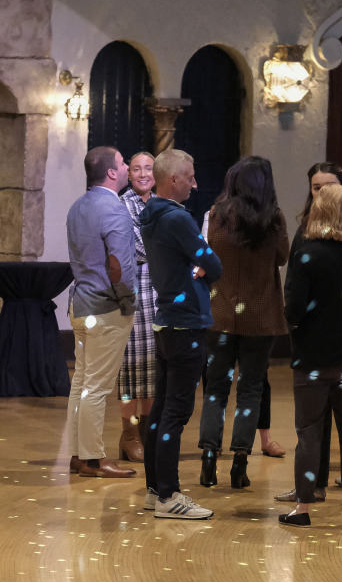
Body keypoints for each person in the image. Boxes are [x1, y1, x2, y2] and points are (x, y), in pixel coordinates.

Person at [274, 162, 342, 504]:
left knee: (309, 432)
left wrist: (297, 325)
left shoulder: (307, 253)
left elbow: (293, 307)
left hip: (313, 355)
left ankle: (305, 503)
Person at [196, 156, 288, 489]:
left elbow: (203, 256)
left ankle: (209, 459)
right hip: (260, 319)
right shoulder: (273, 218)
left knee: (215, 390)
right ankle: (239, 463)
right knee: (250, 390)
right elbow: (282, 257)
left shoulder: (215, 215)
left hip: (219, 315)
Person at [140, 149, 222, 519]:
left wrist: (195, 263)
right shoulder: (178, 218)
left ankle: (155, 489)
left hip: (167, 320)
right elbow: (214, 264)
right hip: (186, 321)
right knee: (175, 411)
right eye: (189, 176)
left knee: (160, 408)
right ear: (173, 179)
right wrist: (199, 265)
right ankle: (169, 496)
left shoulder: (151, 213)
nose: (195, 183)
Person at [64, 146, 137, 478]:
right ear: (111, 172)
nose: (126, 167)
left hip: (79, 304)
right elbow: (119, 266)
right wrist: (128, 303)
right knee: (96, 387)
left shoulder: (77, 206)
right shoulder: (114, 209)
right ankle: (93, 460)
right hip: (105, 307)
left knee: (81, 383)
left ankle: (78, 455)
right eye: (123, 163)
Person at [116, 151, 156, 463]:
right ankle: (129, 435)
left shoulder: (160, 203)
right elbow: (139, 249)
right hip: (133, 295)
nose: (143, 174)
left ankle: (146, 432)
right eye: (137, 169)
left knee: (153, 370)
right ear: (128, 174)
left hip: (159, 296)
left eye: (149, 168)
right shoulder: (122, 205)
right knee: (130, 371)